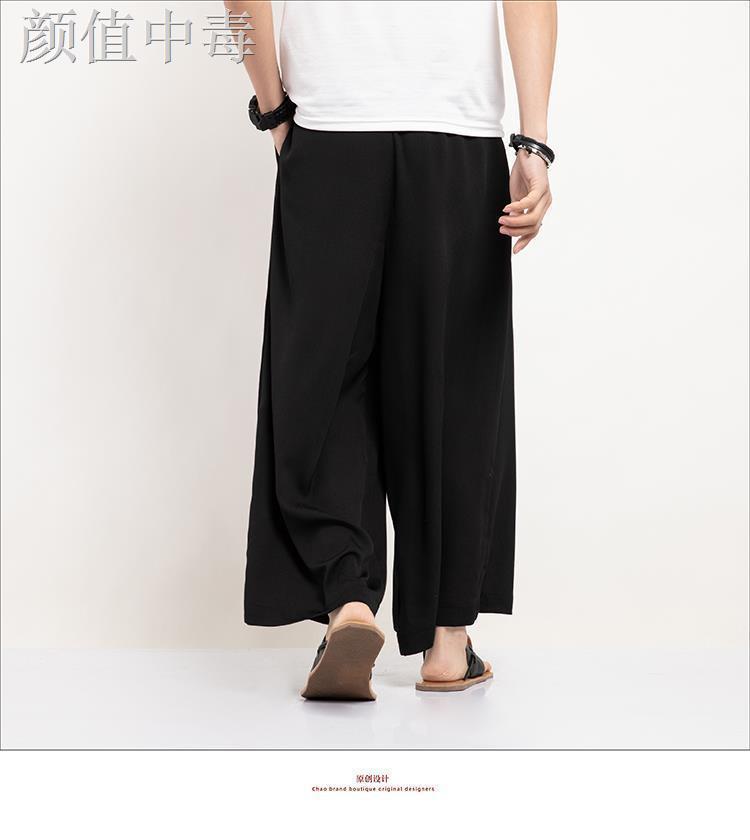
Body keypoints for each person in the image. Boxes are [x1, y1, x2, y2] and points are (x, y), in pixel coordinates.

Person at [232, 0, 556, 699]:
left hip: (332, 132)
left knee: (327, 381)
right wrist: (532, 145)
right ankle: (448, 643)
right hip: (456, 136)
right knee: (453, 385)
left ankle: (347, 597)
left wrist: (275, 111)